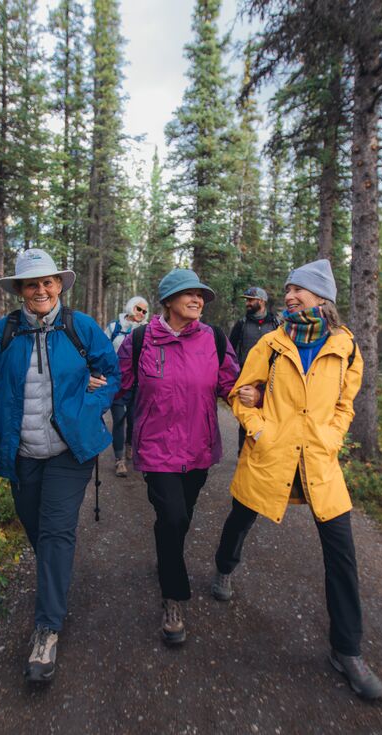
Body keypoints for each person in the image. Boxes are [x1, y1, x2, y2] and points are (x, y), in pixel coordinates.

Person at [212, 259, 382, 700]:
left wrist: (331, 436)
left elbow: (346, 404)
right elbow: (239, 393)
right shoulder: (270, 343)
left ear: (321, 298)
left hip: (319, 461)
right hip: (272, 454)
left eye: (298, 291)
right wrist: (260, 429)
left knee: (342, 553)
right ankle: (224, 567)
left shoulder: (345, 346)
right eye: (287, 290)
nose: (289, 297)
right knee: (241, 518)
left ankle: (347, 650)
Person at [0, 248, 120, 684]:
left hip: (69, 451)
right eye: (32, 283)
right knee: (38, 531)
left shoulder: (81, 327)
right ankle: (55, 576)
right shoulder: (3, 333)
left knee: (56, 531)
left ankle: (46, 630)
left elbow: (111, 375)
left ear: (59, 285)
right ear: (20, 290)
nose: (41, 290)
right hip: (21, 454)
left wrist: (88, 405)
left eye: (48, 282)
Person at [116, 269, 238, 645]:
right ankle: (173, 597)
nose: (198, 299)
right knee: (172, 515)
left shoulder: (214, 339)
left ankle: (167, 556)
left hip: (199, 448)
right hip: (156, 449)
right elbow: (114, 384)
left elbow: (230, 383)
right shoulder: (140, 341)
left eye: (202, 294)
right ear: (167, 301)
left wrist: (252, 396)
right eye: (189, 293)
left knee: (179, 518)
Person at [228, 286, 280, 452]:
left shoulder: (276, 324)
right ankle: (243, 454)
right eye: (246, 300)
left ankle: (267, 451)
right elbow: (229, 351)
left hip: (272, 382)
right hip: (247, 380)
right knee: (247, 419)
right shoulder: (241, 324)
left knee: (271, 416)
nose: (247, 304)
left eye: (250, 300)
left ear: (261, 301)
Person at [103, 296, 150, 476]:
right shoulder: (114, 327)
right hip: (117, 381)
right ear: (131, 307)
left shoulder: (146, 330)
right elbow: (103, 350)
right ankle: (119, 459)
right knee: (118, 420)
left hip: (138, 382)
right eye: (139, 309)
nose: (141, 313)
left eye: (145, 311)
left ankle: (130, 444)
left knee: (133, 419)